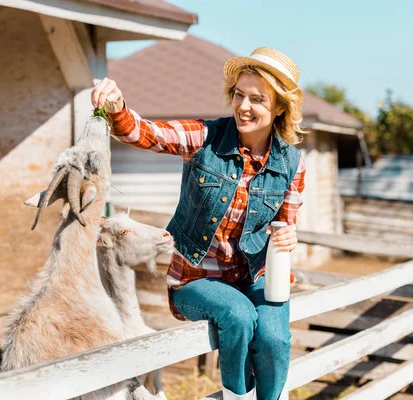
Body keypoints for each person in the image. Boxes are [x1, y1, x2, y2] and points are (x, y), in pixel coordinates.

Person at [91, 47, 307, 400]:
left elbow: (285, 224)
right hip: (195, 279)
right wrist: (117, 107)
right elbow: (147, 133)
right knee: (237, 315)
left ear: (279, 107)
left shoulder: (292, 163)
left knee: (274, 337)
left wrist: (288, 235)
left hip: (256, 276)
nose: (244, 106)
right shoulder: (206, 138)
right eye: (239, 95)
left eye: (257, 99)